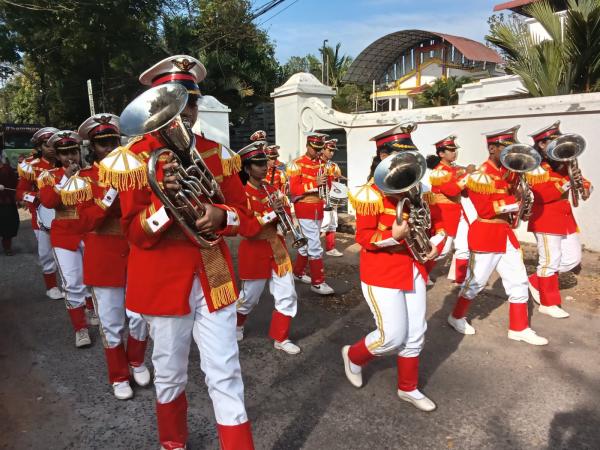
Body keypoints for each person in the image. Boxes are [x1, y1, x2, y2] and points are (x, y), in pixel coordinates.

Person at [100, 55, 255, 449]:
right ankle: (173, 444)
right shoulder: (135, 159)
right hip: (163, 281)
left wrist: (221, 216)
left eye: (192, 102)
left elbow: (245, 216)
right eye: (177, 102)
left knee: (225, 372)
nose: (186, 112)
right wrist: (166, 204)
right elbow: (135, 235)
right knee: (169, 374)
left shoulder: (217, 153)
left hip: (214, 274)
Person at [342, 123, 445, 412]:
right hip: (382, 272)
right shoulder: (370, 194)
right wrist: (392, 236)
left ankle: (408, 388)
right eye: (400, 157)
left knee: (416, 332)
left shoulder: (421, 189)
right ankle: (354, 355)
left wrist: (437, 242)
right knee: (391, 337)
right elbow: (364, 237)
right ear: (383, 156)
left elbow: (438, 224)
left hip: (413, 268)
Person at [447, 126, 548, 345]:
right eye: (505, 148)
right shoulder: (480, 175)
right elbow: (486, 210)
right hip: (486, 234)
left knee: (519, 281)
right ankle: (456, 316)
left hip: (505, 234)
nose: (511, 153)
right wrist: (516, 201)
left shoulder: (507, 174)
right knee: (476, 283)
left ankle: (519, 328)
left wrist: (522, 197)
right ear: (492, 149)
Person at [76, 113, 151, 400]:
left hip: (135, 252)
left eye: (112, 141)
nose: (109, 148)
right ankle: (118, 375)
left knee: (140, 316)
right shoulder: (84, 179)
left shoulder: (135, 171)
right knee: (111, 322)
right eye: (102, 143)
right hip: (103, 258)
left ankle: (137, 360)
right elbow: (86, 222)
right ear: (92, 147)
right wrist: (110, 194)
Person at [235, 141, 301, 355]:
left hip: (277, 248)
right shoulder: (241, 195)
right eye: (258, 164)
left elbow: (285, 214)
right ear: (247, 169)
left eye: (265, 162)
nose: (264, 167)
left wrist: (284, 215)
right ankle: (236, 325)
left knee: (287, 295)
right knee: (248, 299)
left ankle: (281, 337)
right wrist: (271, 213)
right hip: (254, 251)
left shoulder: (273, 189)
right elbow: (246, 229)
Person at [526, 122, 592, 319]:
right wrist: (567, 182)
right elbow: (544, 195)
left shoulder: (565, 163)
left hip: (565, 218)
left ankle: (535, 280)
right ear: (542, 145)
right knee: (550, 262)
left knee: (572, 259)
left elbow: (583, 183)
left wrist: (584, 187)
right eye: (553, 143)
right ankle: (548, 303)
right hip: (545, 218)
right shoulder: (535, 168)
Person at [37, 131, 93, 347]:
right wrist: (65, 179)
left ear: (79, 152)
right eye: (64, 153)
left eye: (73, 152)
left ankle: (92, 310)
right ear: (58, 156)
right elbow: (49, 202)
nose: (70, 157)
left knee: (92, 278)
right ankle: (80, 328)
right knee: (72, 282)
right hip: (64, 235)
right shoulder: (49, 176)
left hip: (89, 231)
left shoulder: (90, 173)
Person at [16, 127, 64, 299]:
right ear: (39, 147)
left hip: (68, 215)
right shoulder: (32, 166)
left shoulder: (67, 161)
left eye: (53, 145)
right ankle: (51, 287)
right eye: (46, 145)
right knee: (47, 253)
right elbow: (20, 193)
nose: (51, 149)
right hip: (42, 217)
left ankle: (71, 284)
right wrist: (34, 196)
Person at [287, 132, 335, 295]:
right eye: (314, 148)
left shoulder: (323, 163)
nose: (317, 152)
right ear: (307, 146)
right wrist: (315, 183)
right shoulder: (296, 164)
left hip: (318, 207)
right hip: (304, 207)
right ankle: (318, 283)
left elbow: (328, 187)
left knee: (306, 245)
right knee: (314, 245)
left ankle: (298, 272)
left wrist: (327, 178)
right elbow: (294, 190)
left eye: (320, 149)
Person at [426, 135, 475, 282]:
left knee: (463, 246)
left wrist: (467, 177)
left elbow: (463, 193)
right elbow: (452, 191)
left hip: (457, 210)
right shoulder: (439, 171)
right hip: (444, 213)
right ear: (441, 153)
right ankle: (421, 272)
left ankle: (460, 279)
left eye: (455, 150)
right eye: (451, 150)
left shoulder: (453, 169)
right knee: (442, 249)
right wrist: (467, 174)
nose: (455, 153)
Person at [320, 138, 344, 257]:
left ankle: (330, 248)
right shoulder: (317, 164)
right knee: (322, 223)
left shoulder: (334, 166)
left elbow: (337, 183)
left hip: (332, 198)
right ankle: (312, 247)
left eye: (333, 150)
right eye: (330, 150)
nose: (332, 153)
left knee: (333, 223)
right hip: (320, 198)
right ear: (322, 149)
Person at [0, 153, 19, 255]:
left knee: (8, 225)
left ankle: (7, 247)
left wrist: (18, 197)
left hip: (6, 201)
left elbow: (15, 183)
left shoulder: (7, 168)